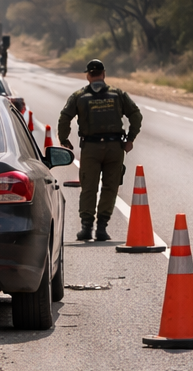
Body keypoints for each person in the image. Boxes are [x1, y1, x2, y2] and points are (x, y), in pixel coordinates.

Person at [57, 59, 143, 241]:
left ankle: (86, 228)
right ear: (103, 74)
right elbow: (136, 114)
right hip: (115, 148)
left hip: (91, 148)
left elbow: (64, 118)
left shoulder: (79, 96)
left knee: (89, 187)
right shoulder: (117, 94)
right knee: (110, 187)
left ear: (88, 75)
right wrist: (130, 138)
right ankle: (102, 228)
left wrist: (64, 140)